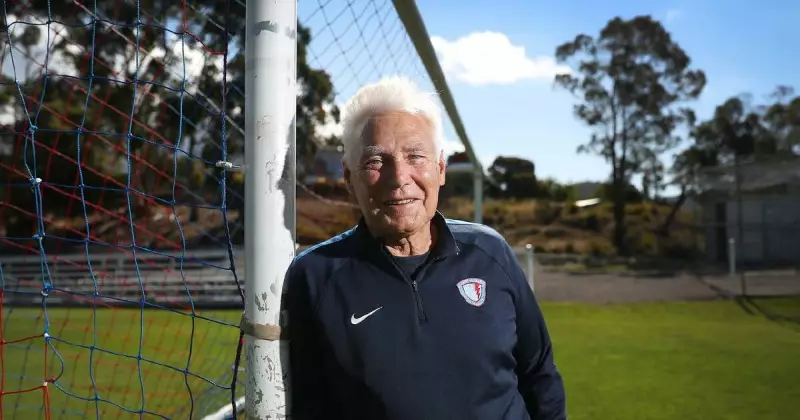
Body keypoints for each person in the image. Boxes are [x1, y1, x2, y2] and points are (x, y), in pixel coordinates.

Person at [284, 76, 566, 419]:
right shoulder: (315, 276)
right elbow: (309, 406)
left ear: (441, 168)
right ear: (348, 178)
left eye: (415, 156)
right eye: (376, 162)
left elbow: (540, 375)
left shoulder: (491, 252)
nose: (399, 177)